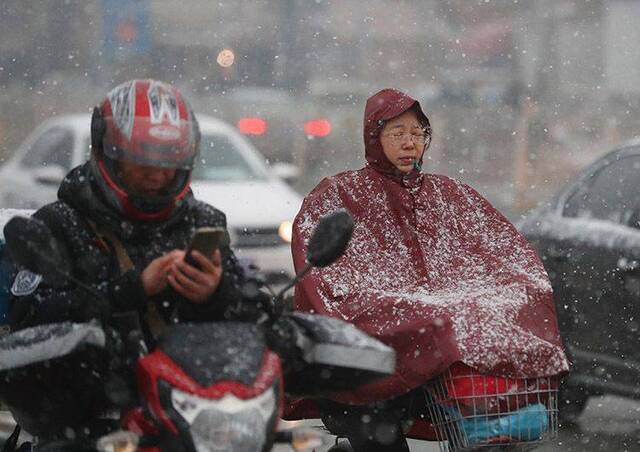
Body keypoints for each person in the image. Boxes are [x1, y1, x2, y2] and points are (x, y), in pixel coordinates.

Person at [290, 88, 569, 451]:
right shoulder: (342, 195)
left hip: (437, 340)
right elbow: (332, 276)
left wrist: (516, 286)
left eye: (417, 133)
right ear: (374, 137)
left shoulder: (449, 194)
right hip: (376, 352)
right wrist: (400, 305)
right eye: (397, 133)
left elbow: (498, 249)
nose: (409, 143)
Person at [4, 79, 266, 439]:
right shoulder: (60, 224)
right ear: (107, 154)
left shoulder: (202, 223)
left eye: (169, 166)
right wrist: (130, 289)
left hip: (198, 418)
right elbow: (27, 320)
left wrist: (216, 292)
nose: (157, 177)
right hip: (88, 422)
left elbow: (256, 309)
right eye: (141, 164)